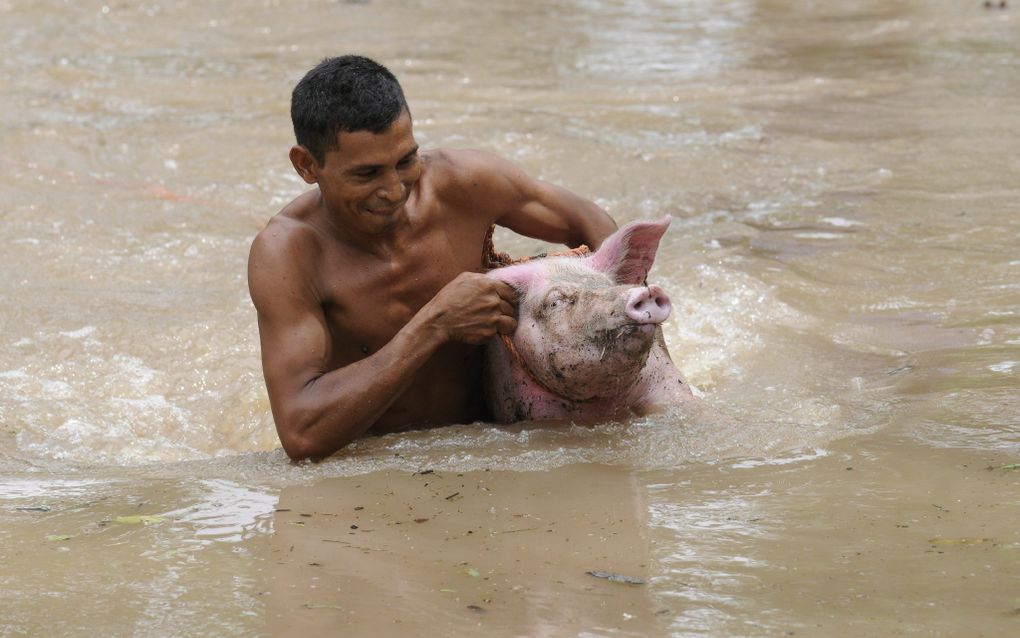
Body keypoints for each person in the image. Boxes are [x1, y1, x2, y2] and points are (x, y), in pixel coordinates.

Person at [248, 55, 617, 461]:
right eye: (366, 174)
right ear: (306, 165)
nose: (394, 190)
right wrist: (434, 324)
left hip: (495, 436)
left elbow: (590, 221)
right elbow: (302, 435)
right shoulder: (288, 254)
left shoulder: (464, 182)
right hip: (384, 463)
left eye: (406, 161)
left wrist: (627, 319)